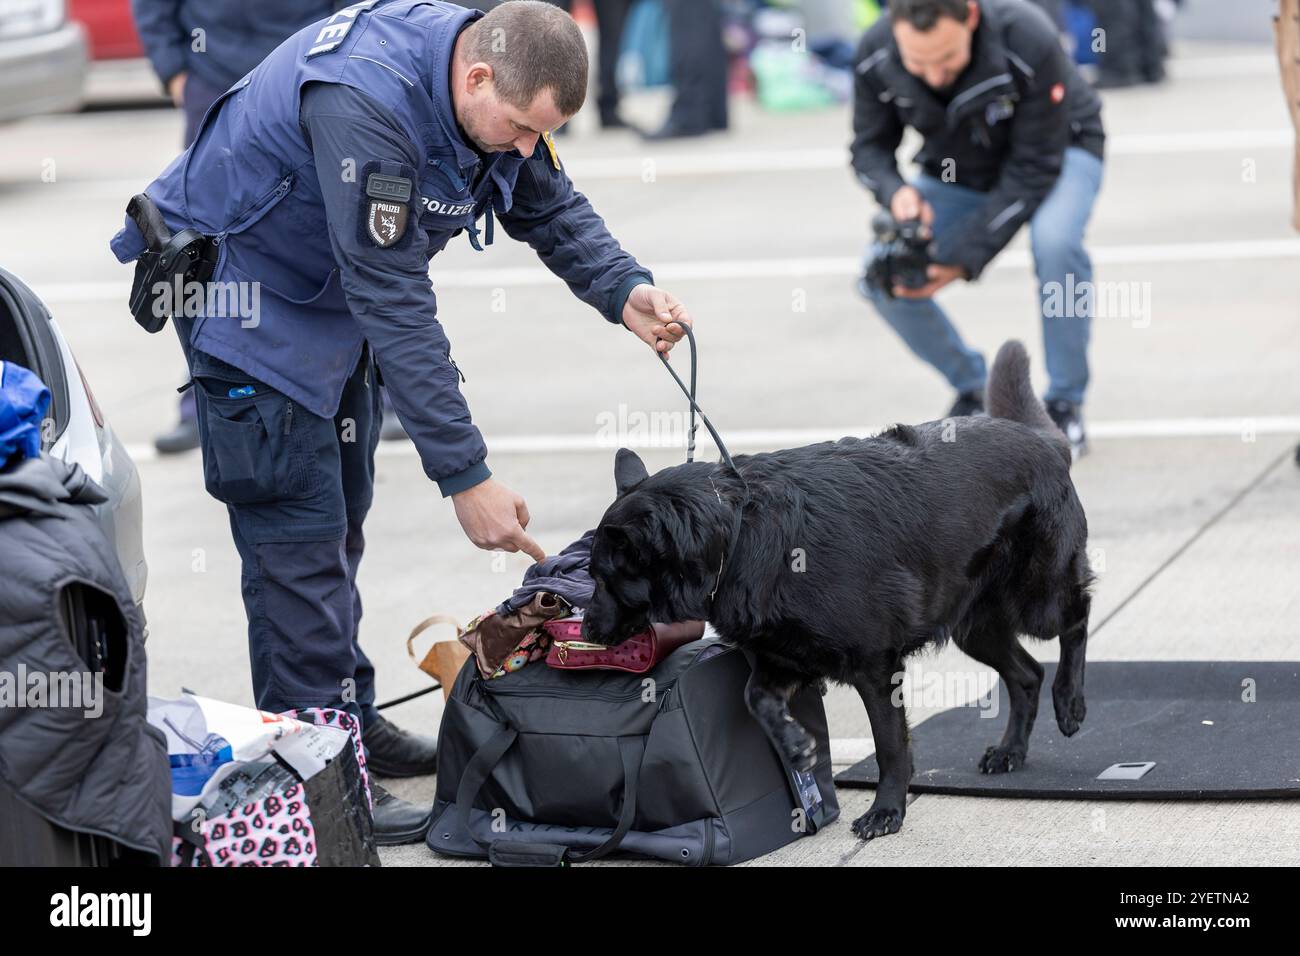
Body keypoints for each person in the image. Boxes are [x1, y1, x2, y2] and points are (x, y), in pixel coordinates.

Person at [110, 0, 693, 844]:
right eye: (522, 127)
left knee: (339, 528)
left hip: (332, 312)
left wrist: (624, 289)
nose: (529, 146)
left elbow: (547, 202)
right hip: (254, 318)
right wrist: (466, 476)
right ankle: (314, 776)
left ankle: (349, 719)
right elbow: (393, 296)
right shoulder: (367, 104)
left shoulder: (493, 89)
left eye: (544, 132)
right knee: (297, 552)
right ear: (479, 75)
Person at [852, 0, 1104, 458]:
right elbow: (868, 147)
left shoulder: (1027, 34)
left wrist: (961, 258)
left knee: (1057, 244)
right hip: (958, 167)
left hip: (1062, 150)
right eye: (917, 63)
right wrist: (895, 193)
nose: (933, 75)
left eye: (947, 58)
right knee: (880, 275)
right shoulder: (873, 50)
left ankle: (1064, 402)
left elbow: (1034, 168)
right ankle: (974, 389)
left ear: (970, 16)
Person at [131, 0, 348, 455]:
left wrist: (340, 69)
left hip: (308, 78)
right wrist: (174, 71)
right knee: (199, 250)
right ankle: (203, 397)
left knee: (337, 234)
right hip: (215, 80)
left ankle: (366, 389)